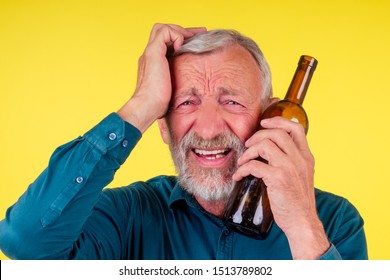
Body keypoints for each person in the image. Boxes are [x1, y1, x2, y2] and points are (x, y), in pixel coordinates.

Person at [0, 23, 367, 260]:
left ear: (271, 119)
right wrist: (140, 106)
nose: (207, 130)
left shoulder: (332, 222)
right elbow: (25, 243)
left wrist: (303, 226)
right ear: (162, 126)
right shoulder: (127, 216)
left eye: (232, 101)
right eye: (186, 102)